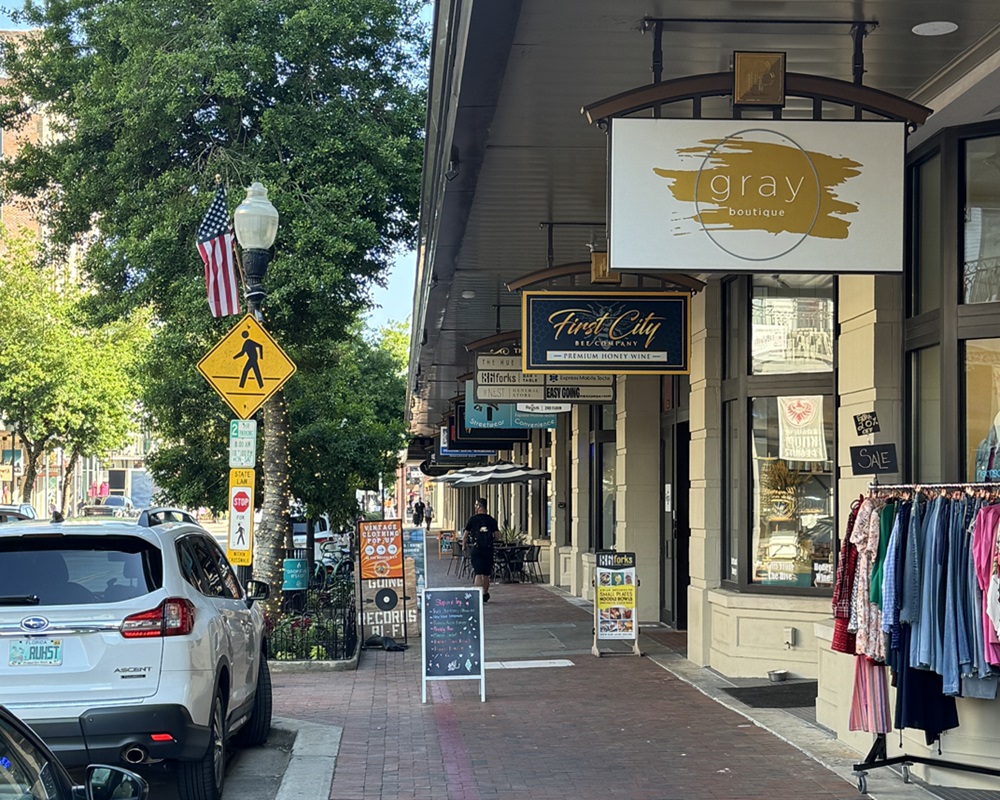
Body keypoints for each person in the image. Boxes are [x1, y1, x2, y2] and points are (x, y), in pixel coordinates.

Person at [463, 497, 498, 602]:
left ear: (478, 506)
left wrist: (464, 546)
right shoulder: (491, 520)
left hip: (476, 549)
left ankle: (477, 595)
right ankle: (485, 593)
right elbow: (497, 536)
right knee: (486, 573)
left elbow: (465, 535)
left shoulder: (472, 519)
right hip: (488, 549)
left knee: (478, 573)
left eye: (475, 505)